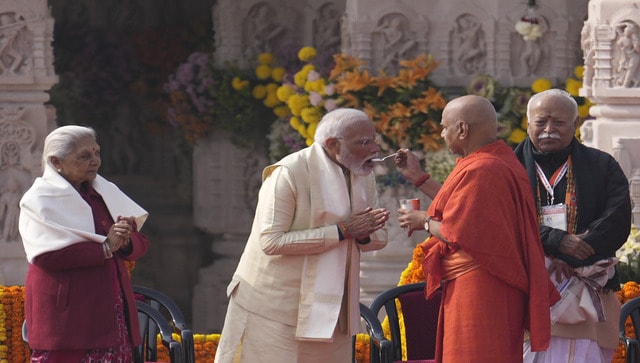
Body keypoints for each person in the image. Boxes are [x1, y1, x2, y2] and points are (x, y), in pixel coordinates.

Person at [214, 108, 390, 363]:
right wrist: (342, 231)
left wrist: (361, 235)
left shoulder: (362, 174)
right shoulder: (289, 173)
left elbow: (378, 236)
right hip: (277, 310)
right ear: (332, 144)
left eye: (375, 140)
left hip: (335, 311)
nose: (374, 149)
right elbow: (271, 241)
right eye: (364, 142)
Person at [394, 95, 559, 362]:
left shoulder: (483, 168)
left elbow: (455, 230)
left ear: (462, 129)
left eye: (444, 127)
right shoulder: (493, 161)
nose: (441, 133)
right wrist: (419, 178)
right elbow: (465, 211)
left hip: (481, 287)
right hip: (488, 282)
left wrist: (423, 221)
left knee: (473, 354)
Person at [515, 89, 632, 363]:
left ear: (575, 125)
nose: (548, 130)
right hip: (530, 284)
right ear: (528, 122)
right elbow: (501, 221)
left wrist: (574, 250)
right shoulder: (509, 166)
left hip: (585, 279)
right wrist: (555, 242)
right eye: (541, 122)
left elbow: (618, 218)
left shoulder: (601, 164)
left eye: (559, 123)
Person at [18, 125, 149, 362]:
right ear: (56, 161)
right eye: (84, 156)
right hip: (68, 315)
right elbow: (47, 257)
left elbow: (140, 242)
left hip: (112, 309)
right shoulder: (39, 200)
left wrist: (125, 240)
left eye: (97, 153)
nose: (95, 161)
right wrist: (105, 247)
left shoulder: (104, 191)